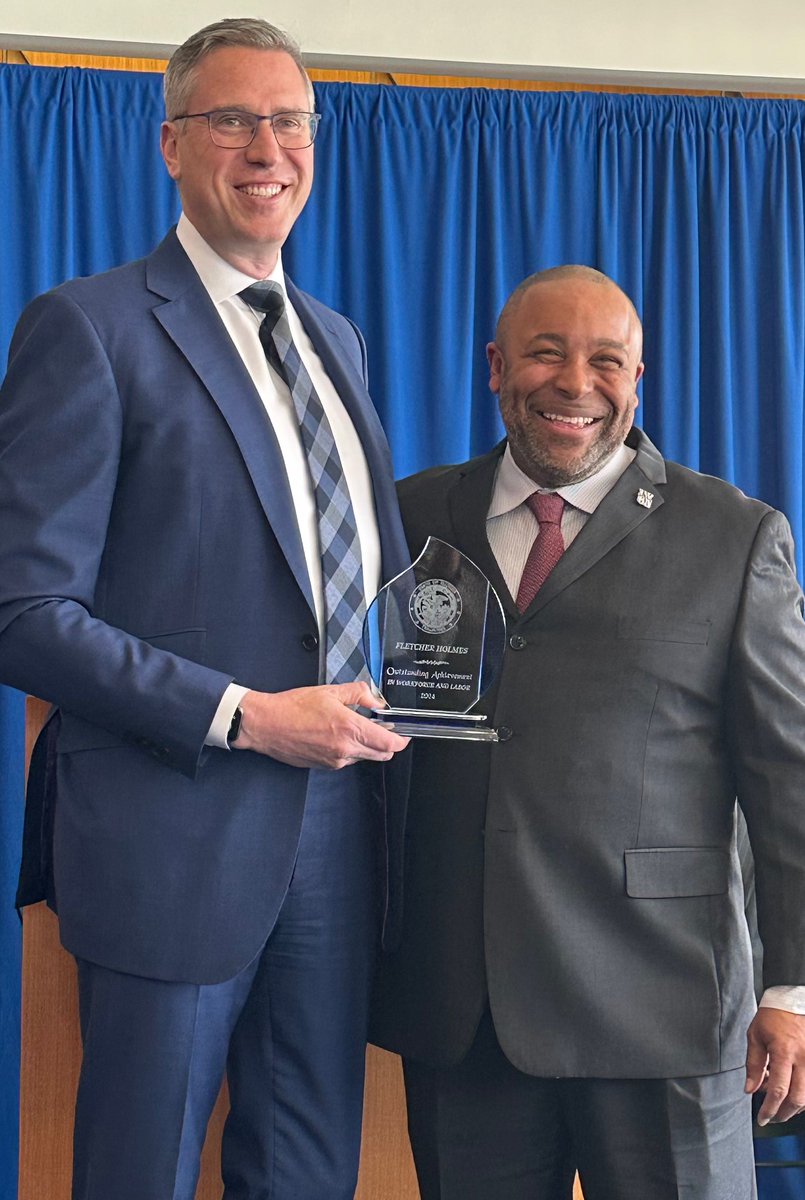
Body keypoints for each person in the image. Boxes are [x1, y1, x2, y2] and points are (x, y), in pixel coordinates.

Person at [0, 17, 410, 1200]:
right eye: (232, 120)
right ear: (173, 145)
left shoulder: (337, 342)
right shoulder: (90, 327)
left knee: (307, 1173)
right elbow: (23, 609)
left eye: (288, 121)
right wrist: (247, 716)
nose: (266, 148)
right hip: (170, 838)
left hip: (341, 833)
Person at [371, 265, 805, 1199]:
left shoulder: (733, 537)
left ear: (636, 381)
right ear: (495, 367)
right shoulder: (405, 519)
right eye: (545, 354)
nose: (575, 383)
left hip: (663, 1006)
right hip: (464, 1009)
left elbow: (789, 781)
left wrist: (792, 988)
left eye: (606, 361)